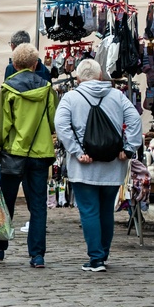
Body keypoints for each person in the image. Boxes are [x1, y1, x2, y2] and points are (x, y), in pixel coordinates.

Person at [54, 59, 142, 272]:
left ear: (77, 78)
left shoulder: (70, 98)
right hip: (113, 163)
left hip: (84, 164)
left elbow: (61, 126)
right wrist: (128, 148)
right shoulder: (118, 96)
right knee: (105, 211)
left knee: (89, 211)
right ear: (101, 76)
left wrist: (76, 151)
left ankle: (96, 258)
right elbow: (135, 121)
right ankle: (103, 253)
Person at [0, 43, 57, 268]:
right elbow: (54, 122)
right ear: (36, 64)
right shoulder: (46, 88)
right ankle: (37, 255)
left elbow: (2, 126)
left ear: (14, 65)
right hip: (40, 153)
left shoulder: (8, 88)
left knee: (6, 203)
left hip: (13, 153)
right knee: (38, 206)